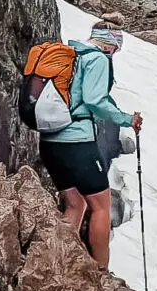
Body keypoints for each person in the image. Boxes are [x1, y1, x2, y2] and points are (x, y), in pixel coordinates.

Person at [39, 20, 143, 270]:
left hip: (51, 140)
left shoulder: (72, 55)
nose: (115, 54)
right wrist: (127, 119)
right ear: (110, 44)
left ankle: (59, 262)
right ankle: (100, 273)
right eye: (116, 49)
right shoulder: (97, 60)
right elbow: (95, 100)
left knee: (75, 203)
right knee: (101, 207)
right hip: (77, 141)